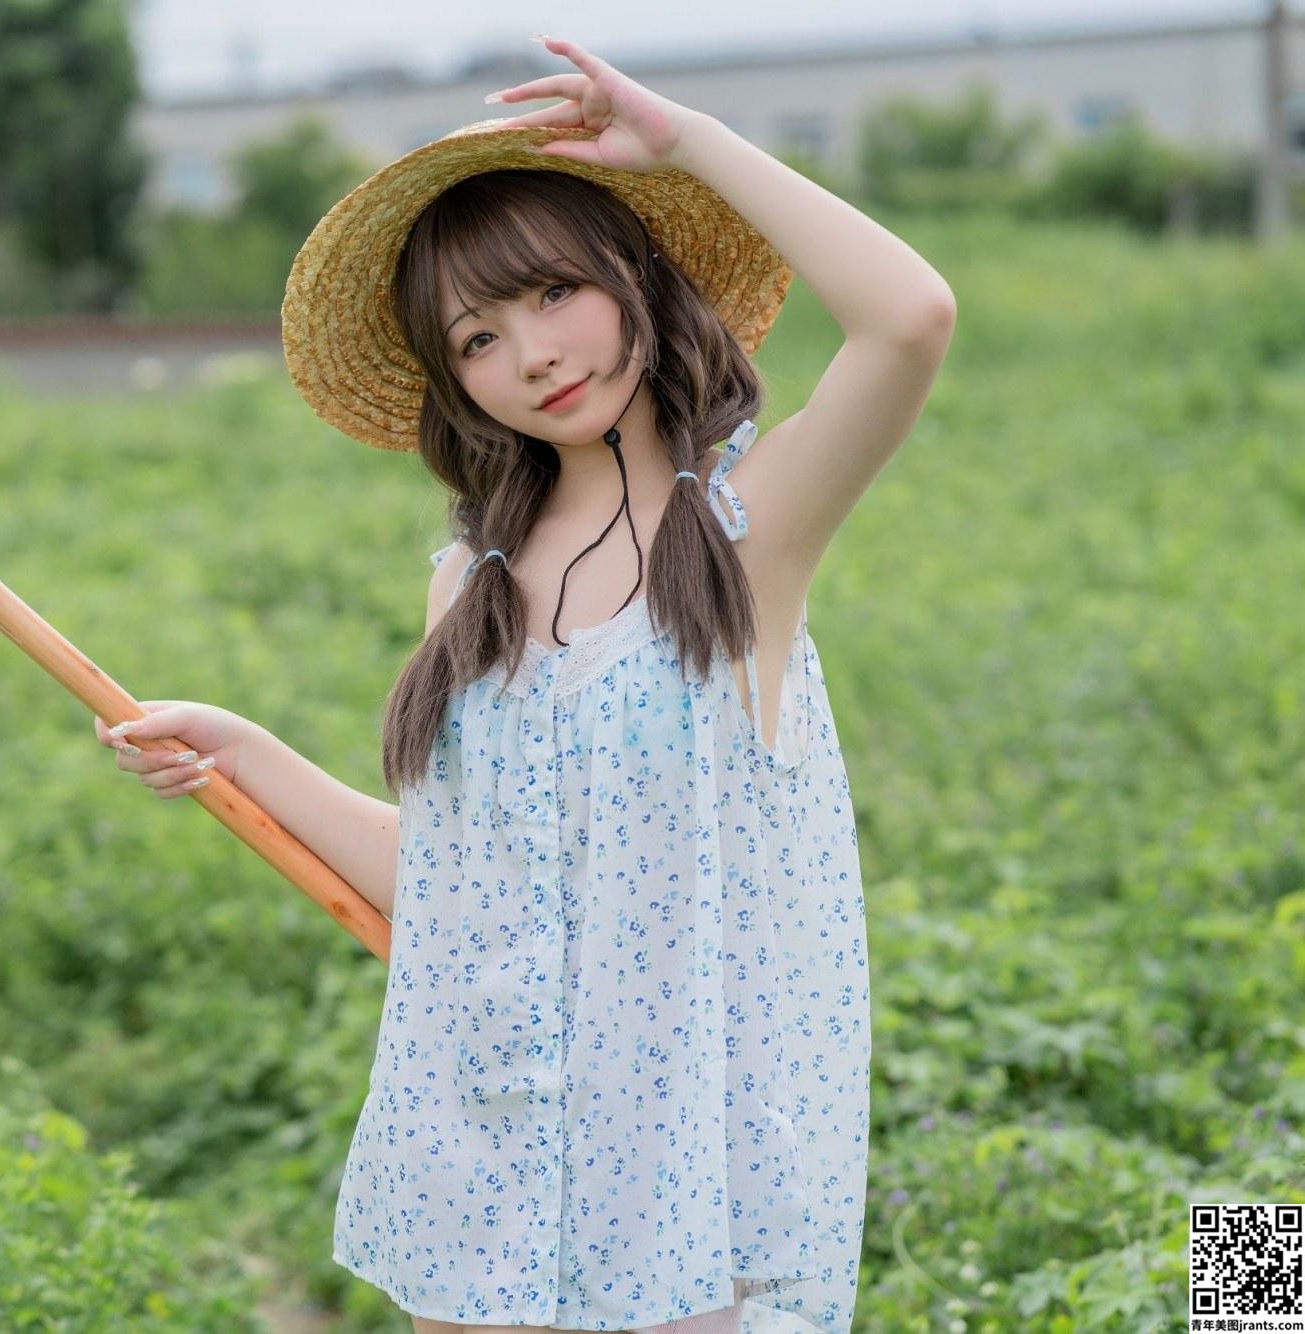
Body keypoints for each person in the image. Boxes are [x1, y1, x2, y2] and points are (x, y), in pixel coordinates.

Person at [94, 32, 955, 1334]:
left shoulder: (748, 530)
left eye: (556, 292)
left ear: (638, 277)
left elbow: (911, 316)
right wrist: (242, 751)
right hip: (492, 1156)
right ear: (459, 387)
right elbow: (455, 877)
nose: (535, 352)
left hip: (692, 1167)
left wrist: (683, 143)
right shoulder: (470, 581)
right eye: (481, 335)